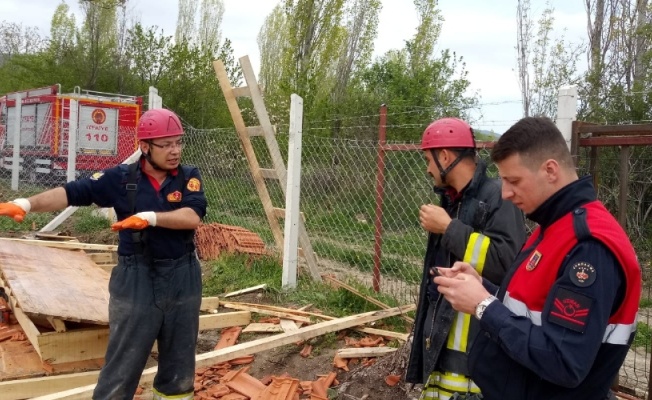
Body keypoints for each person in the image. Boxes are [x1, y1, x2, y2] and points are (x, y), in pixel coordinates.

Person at [0, 108, 207, 400]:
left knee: (179, 367)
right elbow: (73, 192)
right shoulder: (120, 179)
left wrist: (149, 218)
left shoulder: (188, 177)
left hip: (182, 278)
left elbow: (192, 216)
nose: (175, 151)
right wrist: (26, 203)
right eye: (166, 145)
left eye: (178, 142)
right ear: (144, 147)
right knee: (123, 365)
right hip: (137, 279)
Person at [434, 116, 641, 400]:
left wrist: (483, 306)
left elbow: (563, 360)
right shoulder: (553, 226)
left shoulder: (589, 247)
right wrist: (483, 288)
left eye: (513, 180)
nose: (505, 193)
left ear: (550, 170)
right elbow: (534, 311)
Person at [406, 117, 526, 400]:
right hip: (443, 347)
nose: (427, 169)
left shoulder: (498, 197)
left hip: (475, 355)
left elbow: (506, 262)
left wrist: (449, 228)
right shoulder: (452, 200)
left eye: (428, 159)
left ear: (445, 156)